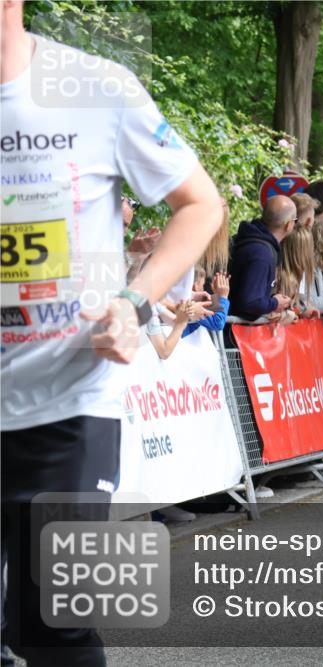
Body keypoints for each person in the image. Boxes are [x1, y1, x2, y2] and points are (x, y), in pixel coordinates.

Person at [1, 5, 223, 663]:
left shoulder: (95, 86)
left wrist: (132, 302)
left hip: (69, 404)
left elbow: (202, 204)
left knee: (58, 625)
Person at [228, 195, 296, 320]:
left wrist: (271, 300)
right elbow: (249, 301)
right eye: (294, 221)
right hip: (233, 333)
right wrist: (274, 303)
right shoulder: (262, 255)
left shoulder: (251, 240)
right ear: (288, 225)